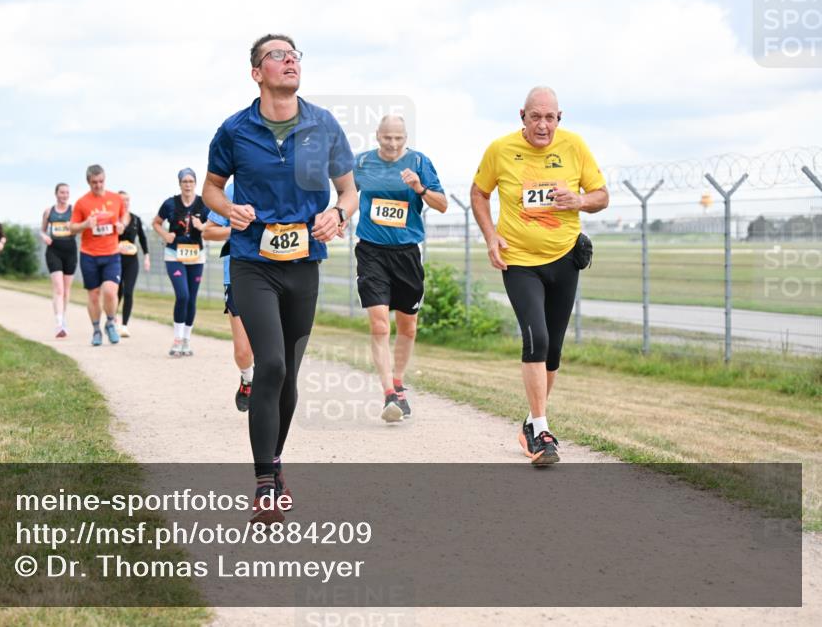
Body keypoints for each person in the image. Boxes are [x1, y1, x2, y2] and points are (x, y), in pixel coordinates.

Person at [202, 33, 358, 523]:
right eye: (277, 55)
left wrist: (339, 214)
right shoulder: (234, 130)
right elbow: (211, 189)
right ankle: (264, 484)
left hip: (304, 263)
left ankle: (274, 460)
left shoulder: (323, 125)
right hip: (252, 260)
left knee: (288, 371)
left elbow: (349, 190)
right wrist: (228, 208)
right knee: (269, 364)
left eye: (294, 55)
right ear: (257, 73)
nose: (289, 60)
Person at [470, 86, 608, 465]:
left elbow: (601, 195)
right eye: (535, 117)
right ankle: (543, 432)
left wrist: (579, 200)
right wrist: (490, 236)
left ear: (559, 118)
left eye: (550, 117)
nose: (543, 125)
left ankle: (531, 424)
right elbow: (479, 193)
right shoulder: (500, 150)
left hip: (564, 258)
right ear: (523, 116)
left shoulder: (574, 146)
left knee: (554, 351)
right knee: (537, 339)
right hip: (519, 261)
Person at [353, 115, 448, 423]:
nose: (393, 144)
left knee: (408, 328)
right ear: (377, 136)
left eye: (398, 138)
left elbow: (443, 204)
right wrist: (338, 216)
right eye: (387, 138)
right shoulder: (362, 163)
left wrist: (420, 188)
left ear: (406, 137)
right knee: (380, 325)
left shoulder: (419, 162)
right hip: (371, 251)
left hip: (407, 253)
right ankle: (389, 395)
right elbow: (346, 194)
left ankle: (398, 382)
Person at [204, 181, 255, 412]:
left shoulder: (281, 181)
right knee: (243, 352)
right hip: (237, 274)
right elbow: (208, 231)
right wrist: (237, 229)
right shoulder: (234, 189)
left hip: (277, 273)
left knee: (273, 350)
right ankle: (247, 378)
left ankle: (268, 393)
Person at [152, 168, 209, 357]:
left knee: (192, 298)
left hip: (196, 255)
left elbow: (215, 224)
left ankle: (186, 340)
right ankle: (177, 339)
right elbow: (156, 222)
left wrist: (203, 226)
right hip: (174, 254)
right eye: (185, 181)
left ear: (195, 183)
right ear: (179, 183)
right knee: (182, 295)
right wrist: (165, 234)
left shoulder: (203, 204)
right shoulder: (170, 203)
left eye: (191, 181)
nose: (188, 185)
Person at [71, 164, 127, 347]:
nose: (98, 185)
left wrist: (122, 225)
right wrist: (85, 224)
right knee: (94, 295)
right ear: (88, 182)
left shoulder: (115, 198)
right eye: (94, 182)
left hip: (111, 253)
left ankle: (110, 322)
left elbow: (124, 216)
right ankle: (96, 330)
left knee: (110, 291)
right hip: (89, 254)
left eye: (101, 181)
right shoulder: (82, 203)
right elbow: (72, 228)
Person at [40, 183, 77, 337]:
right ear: (56, 194)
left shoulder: (74, 211)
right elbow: (42, 231)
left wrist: (72, 227)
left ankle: (63, 317)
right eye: (62, 192)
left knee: (66, 290)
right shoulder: (49, 211)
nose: (64, 195)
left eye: (67, 192)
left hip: (70, 251)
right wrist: (44, 237)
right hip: (54, 251)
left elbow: (79, 228)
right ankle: (59, 323)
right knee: (59, 289)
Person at [116, 190, 150, 338]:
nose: (125, 203)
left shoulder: (135, 219)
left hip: (131, 260)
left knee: (128, 291)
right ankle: (112, 319)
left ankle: (124, 326)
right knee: (117, 291)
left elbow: (142, 238)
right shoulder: (113, 219)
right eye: (122, 200)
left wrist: (146, 256)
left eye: (127, 200)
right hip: (115, 260)